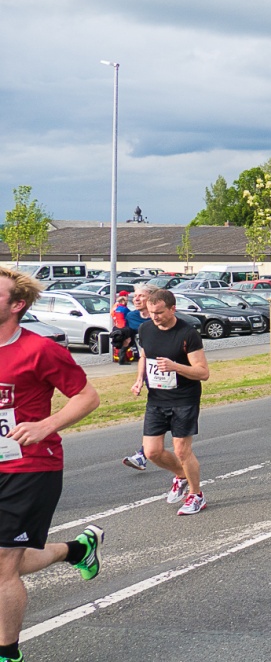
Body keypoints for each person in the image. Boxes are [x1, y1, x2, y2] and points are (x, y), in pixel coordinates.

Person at [0, 266, 104, 662]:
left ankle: (7, 653)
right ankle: (76, 550)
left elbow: (87, 397)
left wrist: (47, 424)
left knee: (3, 565)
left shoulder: (40, 350)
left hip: (28, 468)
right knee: (13, 558)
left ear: (17, 305)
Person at [130, 289, 210, 515]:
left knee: (182, 450)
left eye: (159, 312)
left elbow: (203, 373)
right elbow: (144, 357)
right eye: (151, 312)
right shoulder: (145, 328)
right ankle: (181, 476)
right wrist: (139, 380)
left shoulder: (187, 333)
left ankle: (196, 495)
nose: (154, 317)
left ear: (173, 309)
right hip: (156, 399)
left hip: (184, 399)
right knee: (151, 451)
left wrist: (175, 366)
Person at [121, 284, 155, 469]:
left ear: (152, 297)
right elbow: (142, 351)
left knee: (165, 414)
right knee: (156, 412)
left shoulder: (163, 316)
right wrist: (139, 379)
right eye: (135, 296)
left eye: (142, 295)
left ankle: (149, 452)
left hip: (172, 371)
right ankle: (145, 453)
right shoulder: (132, 316)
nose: (136, 299)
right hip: (151, 371)